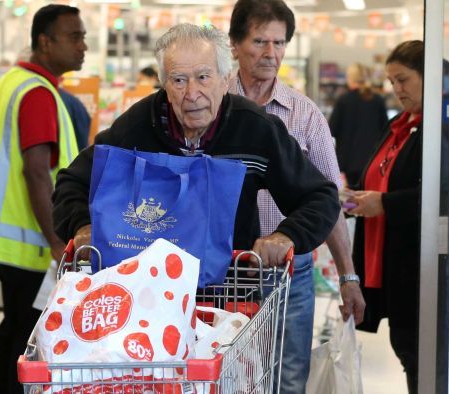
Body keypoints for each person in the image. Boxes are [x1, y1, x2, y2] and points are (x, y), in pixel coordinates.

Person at [52, 24, 339, 304]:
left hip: (229, 298)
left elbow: (320, 197)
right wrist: (83, 226)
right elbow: (72, 182)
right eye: (178, 80)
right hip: (147, 299)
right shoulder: (136, 128)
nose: (192, 94)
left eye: (203, 77)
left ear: (226, 79)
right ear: (164, 84)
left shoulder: (256, 129)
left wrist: (287, 235)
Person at [227, 1, 365, 392]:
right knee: (227, 375)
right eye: (259, 41)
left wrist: (347, 276)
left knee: (289, 380)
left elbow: (330, 200)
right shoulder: (212, 104)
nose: (272, 54)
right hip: (225, 272)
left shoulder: (304, 116)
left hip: (290, 273)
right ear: (234, 44)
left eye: (280, 42)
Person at [0, 4, 85, 393]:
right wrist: (56, 241)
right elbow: (36, 171)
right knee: (27, 345)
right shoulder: (36, 93)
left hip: (12, 244)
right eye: (74, 36)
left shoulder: (14, 82)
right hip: (31, 246)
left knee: (13, 334)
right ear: (44, 42)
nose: (82, 45)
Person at [346, 40, 448, 394]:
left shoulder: (443, 128)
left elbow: (446, 197)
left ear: (430, 76)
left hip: (423, 272)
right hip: (391, 266)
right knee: (408, 354)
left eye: (403, 79)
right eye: (392, 81)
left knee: (425, 362)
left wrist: (384, 204)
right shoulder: (401, 127)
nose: (397, 89)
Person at [328, 63, 388, 188]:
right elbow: (385, 130)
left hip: (348, 160)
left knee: (352, 199)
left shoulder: (344, 100)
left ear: (350, 79)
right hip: (373, 159)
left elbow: (332, 130)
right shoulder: (378, 100)